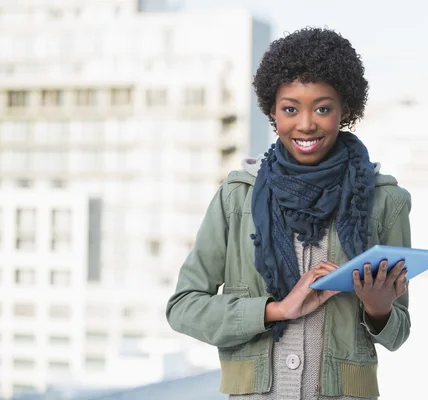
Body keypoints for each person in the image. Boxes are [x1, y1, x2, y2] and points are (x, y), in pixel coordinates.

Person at [166, 27, 412, 400]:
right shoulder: (237, 197)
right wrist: (275, 310)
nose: (306, 123)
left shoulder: (385, 200)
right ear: (272, 112)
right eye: (290, 108)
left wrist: (378, 310)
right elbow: (184, 307)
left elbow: (399, 331)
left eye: (323, 108)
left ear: (344, 110)